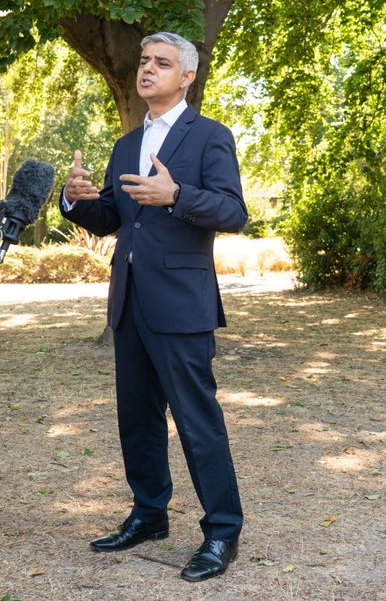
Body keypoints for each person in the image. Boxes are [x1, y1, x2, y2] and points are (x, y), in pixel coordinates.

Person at [61, 32, 246, 582]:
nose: (148, 70)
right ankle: (149, 514)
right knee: (137, 421)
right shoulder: (125, 144)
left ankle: (221, 532)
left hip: (183, 305)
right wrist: (76, 199)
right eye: (144, 61)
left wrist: (178, 196)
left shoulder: (211, 137)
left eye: (162, 64)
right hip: (129, 303)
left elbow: (234, 211)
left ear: (186, 77)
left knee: (198, 422)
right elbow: (114, 218)